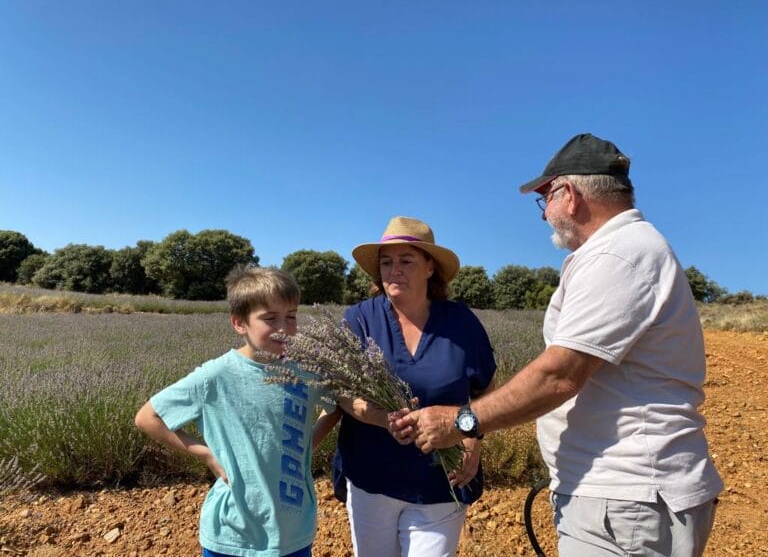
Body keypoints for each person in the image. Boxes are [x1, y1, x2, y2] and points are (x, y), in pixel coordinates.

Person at [394, 134, 724, 557]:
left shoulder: (618, 256)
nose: (545, 214)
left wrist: (462, 422)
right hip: (622, 498)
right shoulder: (621, 251)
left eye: (544, 200)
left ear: (568, 195)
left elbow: (560, 374)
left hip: (627, 498)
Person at [135, 266, 335, 557]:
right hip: (232, 533)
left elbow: (336, 406)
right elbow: (147, 418)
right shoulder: (215, 375)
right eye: (269, 318)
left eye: (291, 316)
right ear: (239, 323)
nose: (284, 327)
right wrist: (205, 454)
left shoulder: (304, 371)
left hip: (293, 531)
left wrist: (310, 440)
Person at [333, 216, 497, 557]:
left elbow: (488, 392)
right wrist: (383, 418)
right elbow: (343, 393)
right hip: (371, 479)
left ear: (429, 268)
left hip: (441, 482)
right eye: (386, 262)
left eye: (406, 261)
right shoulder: (360, 318)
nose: (394, 270)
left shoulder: (461, 322)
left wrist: (471, 438)